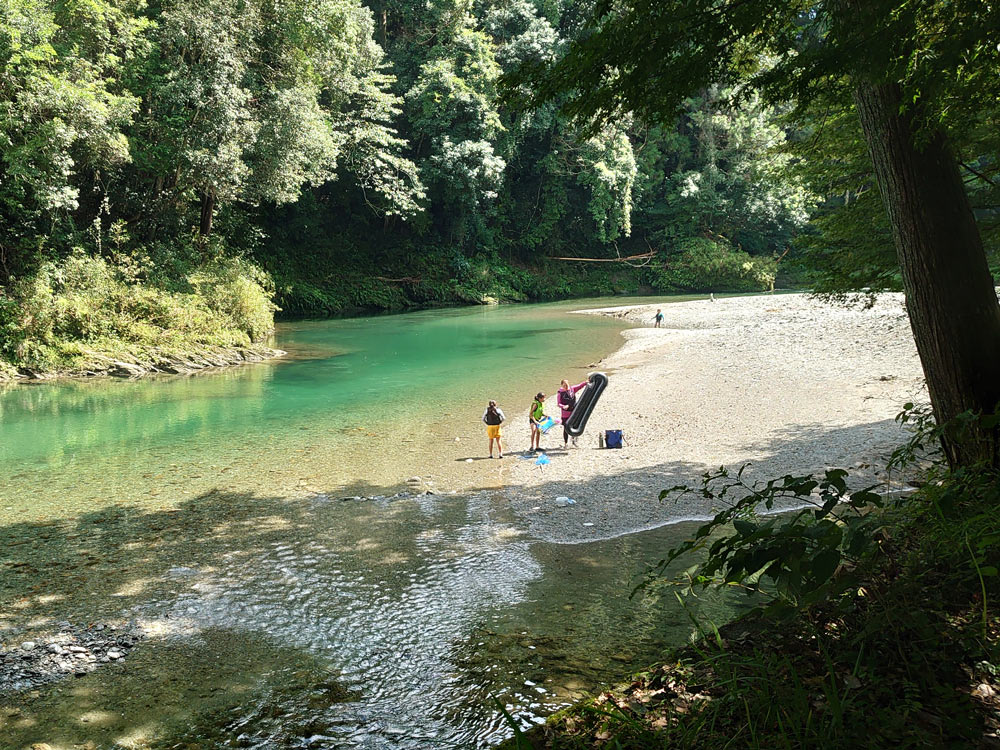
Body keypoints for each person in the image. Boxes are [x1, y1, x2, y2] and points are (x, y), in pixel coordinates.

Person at [557, 378, 588, 448]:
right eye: (564, 385)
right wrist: (563, 406)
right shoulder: (560, 393)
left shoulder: (572, 389)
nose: (566, 386)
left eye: (567, 385)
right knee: (566, 428)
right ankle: (566, 443)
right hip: (565, 413)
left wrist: (586, 382)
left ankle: (574, 441)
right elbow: (558, 403)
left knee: (574, 426)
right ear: (562, 385)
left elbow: (580, 386)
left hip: (573, 412)